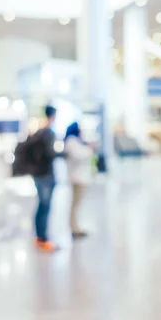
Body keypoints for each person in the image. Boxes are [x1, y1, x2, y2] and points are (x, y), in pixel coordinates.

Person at [31, 105, 58, 252]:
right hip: (45, 175)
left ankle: (39, 236)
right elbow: (50, 153)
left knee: (42, 205)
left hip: (38, 174)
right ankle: (42, 238)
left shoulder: (39, 131)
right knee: (45, 206)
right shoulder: (48, 133)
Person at [64, 122, 94, 239]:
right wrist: (89, 149)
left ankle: (75, 226)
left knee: (77, 204)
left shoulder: (75, 141)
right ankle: (74, 228)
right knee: (75, 205)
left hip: (79, 176)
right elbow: (79, 155)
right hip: (77, 177)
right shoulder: (71, 141)